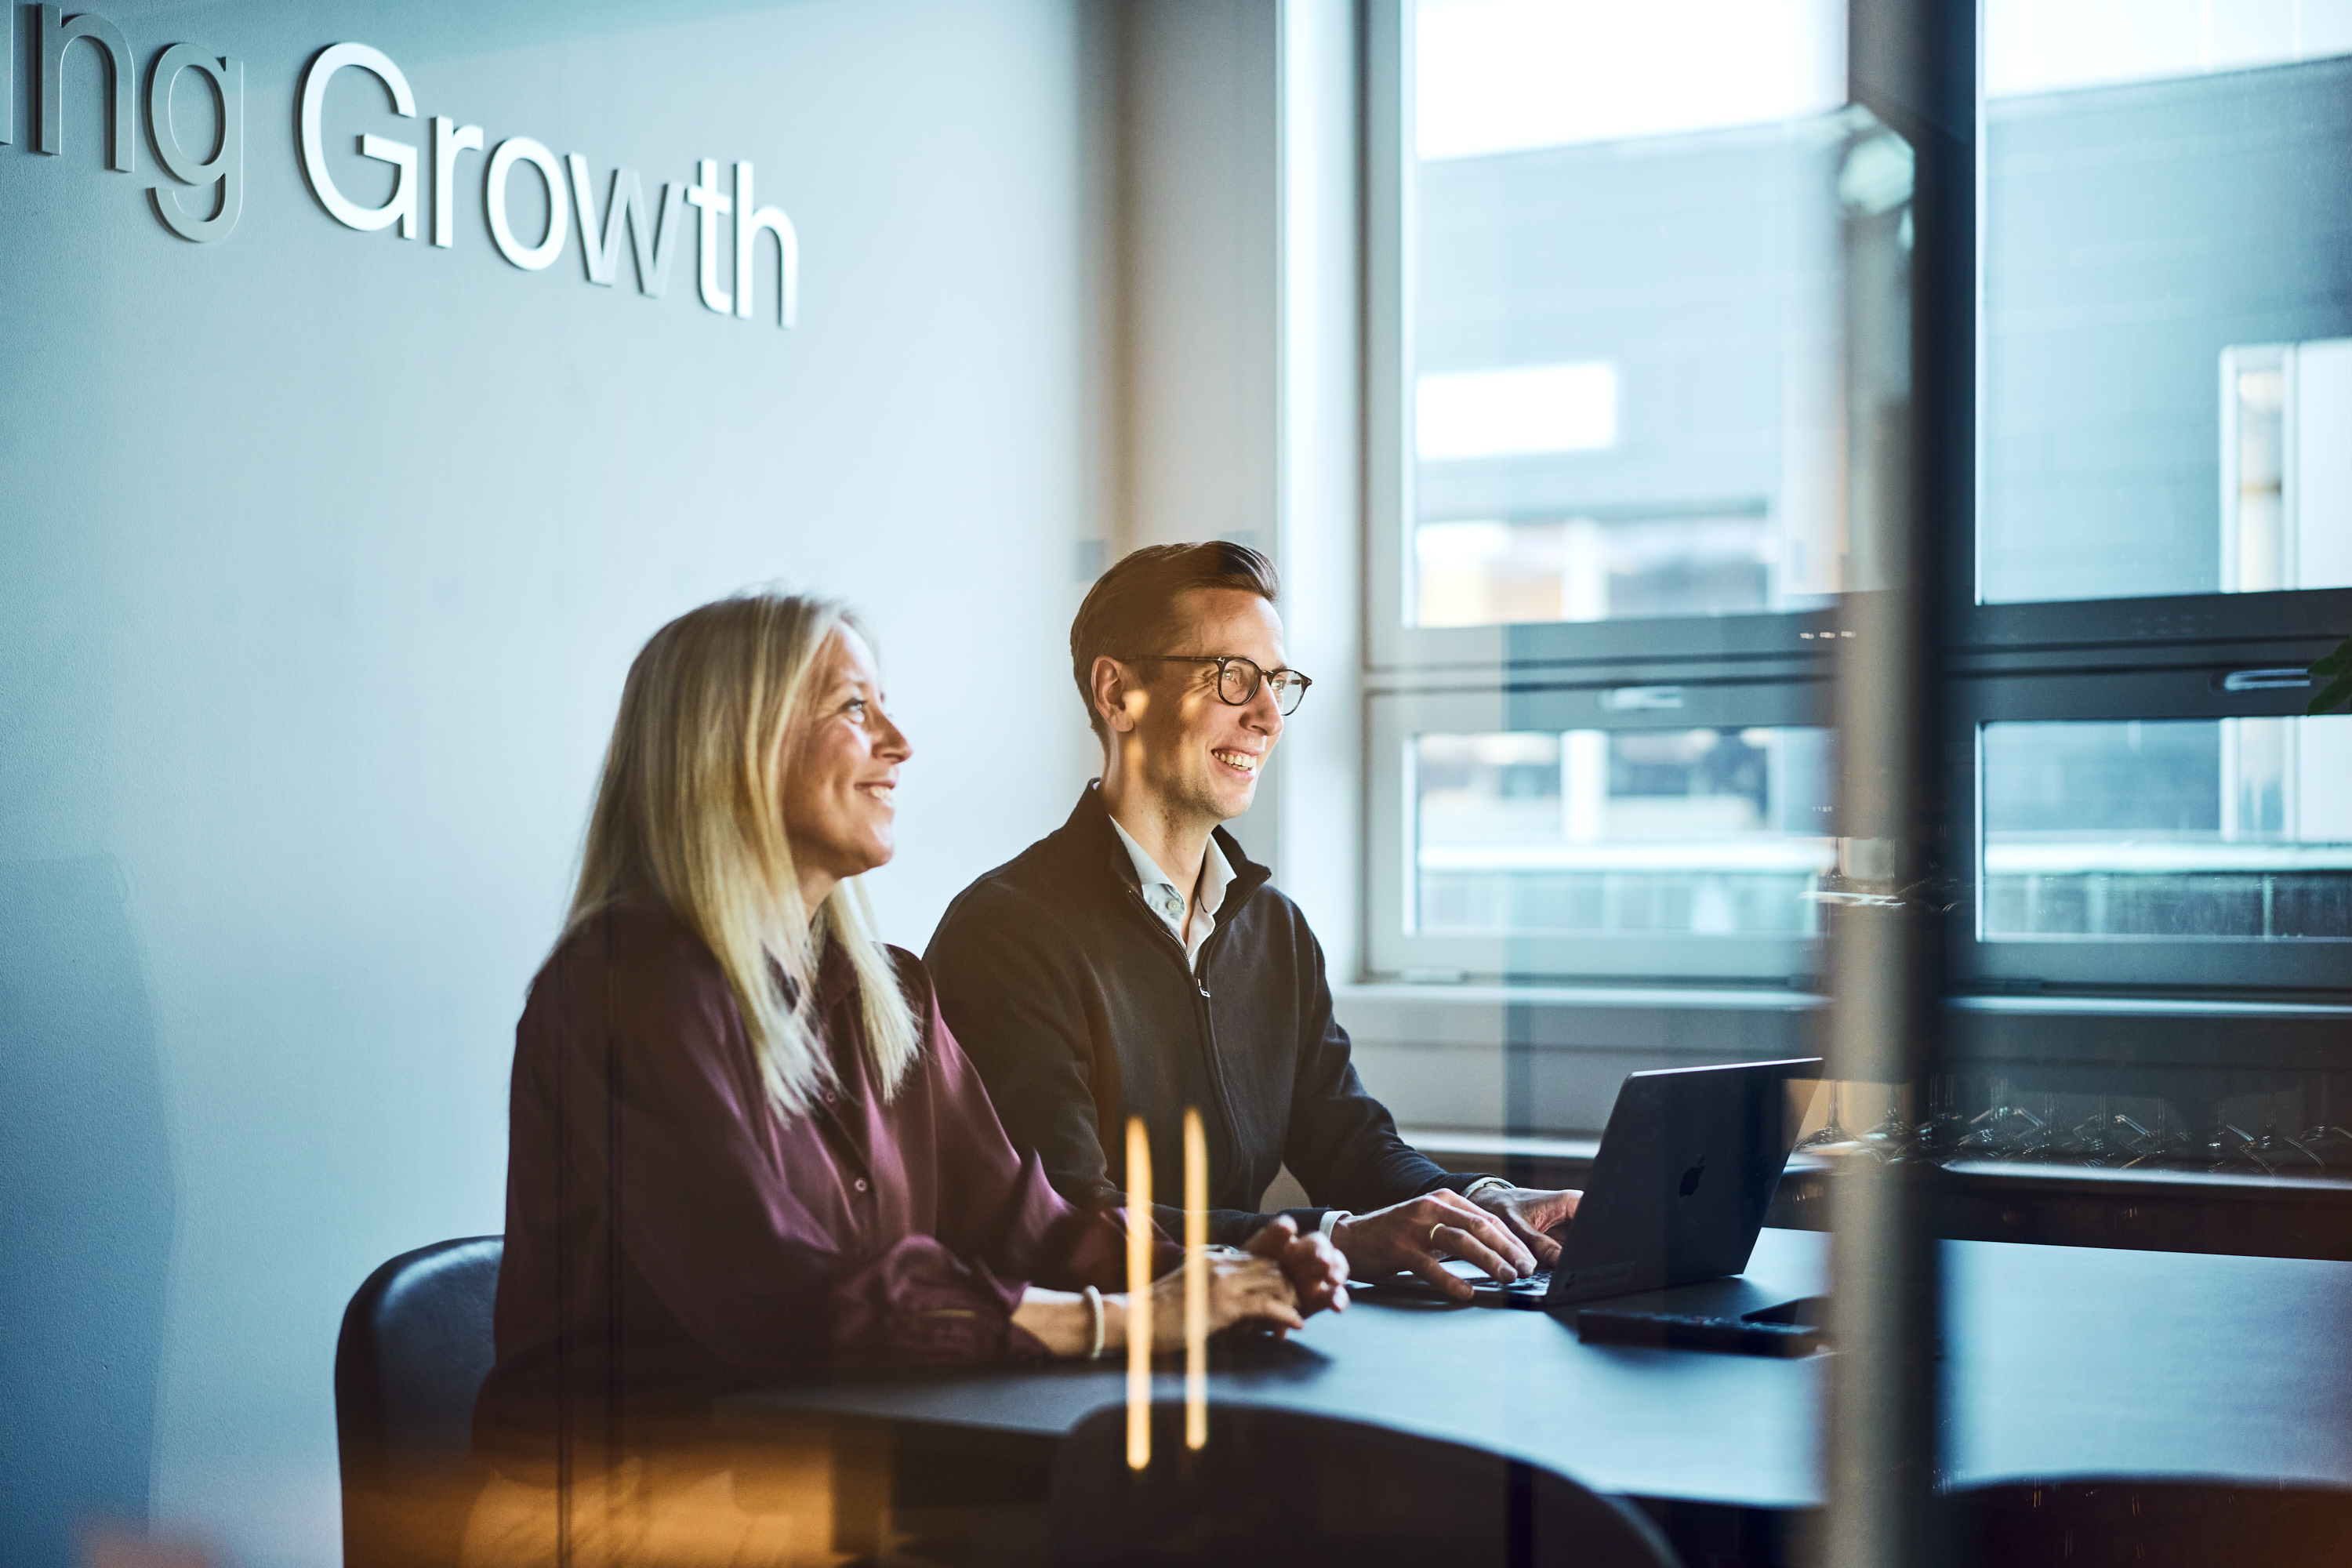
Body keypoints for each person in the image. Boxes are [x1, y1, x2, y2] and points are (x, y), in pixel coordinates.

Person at [467, 590, 1346, 1566]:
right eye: (854, 708)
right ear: (734, 747)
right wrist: (1130, 1318)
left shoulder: (890, 991)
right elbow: (787, 1299)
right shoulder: (626, 985)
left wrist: (1211, 1275)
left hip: (832, 1475)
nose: (898, 742)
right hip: (635, 1506)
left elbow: (1036, 1222)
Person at [926, 543, 1583, 1301]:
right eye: (1233, 677)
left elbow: (1351, 1143)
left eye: (1277, 682)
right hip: (1091, 1370)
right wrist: (1332, 1238)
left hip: (1242, 1335)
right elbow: (1069, 1216)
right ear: (1117, 694)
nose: (1268, 715)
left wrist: (1479, 1205)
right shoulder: (1004, 935)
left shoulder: (1275, 930)